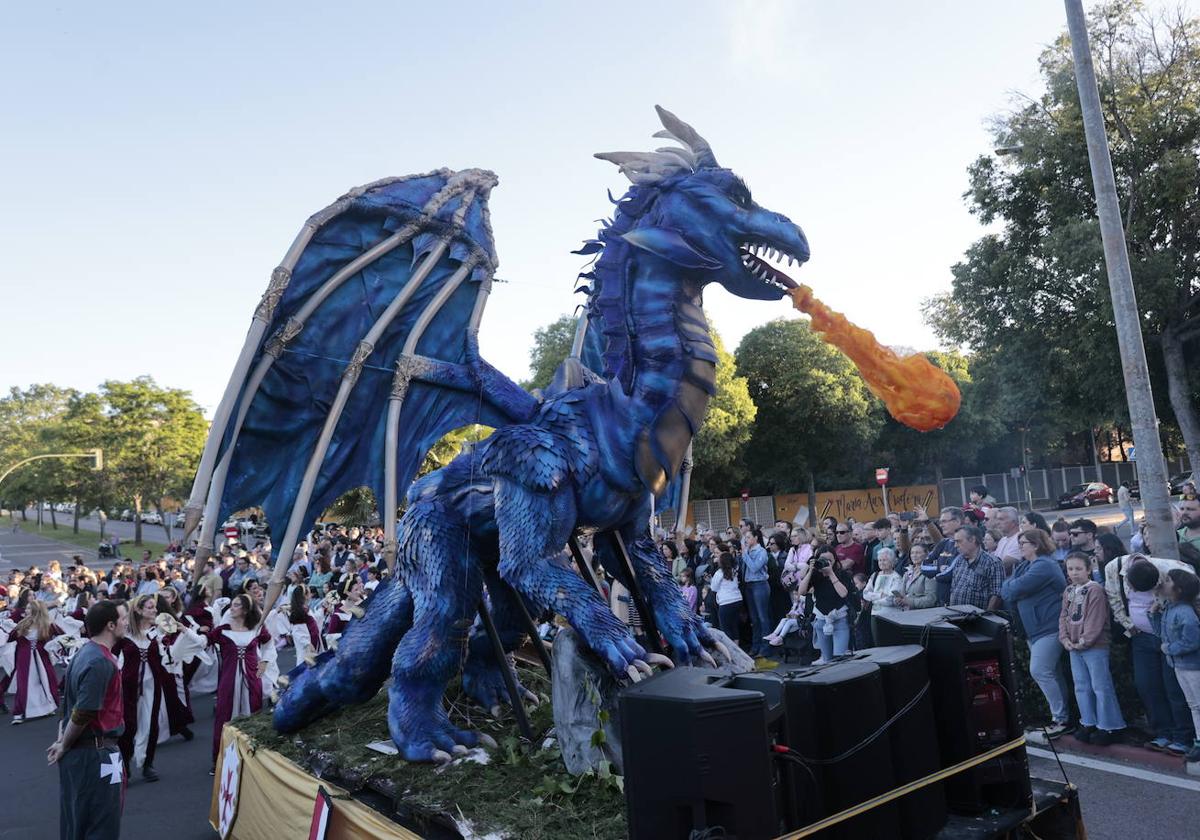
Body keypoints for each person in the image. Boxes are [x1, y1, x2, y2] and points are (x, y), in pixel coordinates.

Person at [48, 600, 128, 840]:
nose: (127, 623)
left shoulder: (85, 652)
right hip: (96, 754)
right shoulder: (100, 662)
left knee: (78, 821)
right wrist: (63, 743)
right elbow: (83, 711)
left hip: (87, 754)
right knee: (101, 824)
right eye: (123, 619)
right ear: (111, 625)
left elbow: (69, 705)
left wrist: (63, 740)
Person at [1106, 556, 1197, 754]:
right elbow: (1114, 599)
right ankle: (1163, 732)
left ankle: (1184, 737)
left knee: (1173, 688)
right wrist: (1129, 625)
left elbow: (1194, 597)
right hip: (1141, 637)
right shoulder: (1114, 568)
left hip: (1170, 636)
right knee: (1147, 685)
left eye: (1156, 586)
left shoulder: (1172, 569)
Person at [1001, 528, 1070, 736]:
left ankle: (1060, 718)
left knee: (1039, 670)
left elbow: (1011, 590)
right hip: (1034, 630)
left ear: (1036, 545)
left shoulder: (1044, 565)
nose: (1020, 546)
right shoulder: (1025, 566)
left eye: (1024, 543)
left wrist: (1011, 585)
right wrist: (1011, 585)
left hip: (1048, 627)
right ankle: (1062, 717)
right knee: (1053, 674)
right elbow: (1005, 588)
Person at [1059, 552, 1125, 745]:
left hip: (1094, 646)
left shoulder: (1095, 589)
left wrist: (1084, 641)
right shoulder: (1069, 590)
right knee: (1081, 685)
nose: (1074, 573)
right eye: (1070, 569)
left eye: (1079, 568)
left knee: (1101, 686)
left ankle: (1110, 726)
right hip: (1073, 646)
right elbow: (1063, 616)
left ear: (1088, 569)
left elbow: (1095, 619)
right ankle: (1088, 721)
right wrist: (1064, 639)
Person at [203, 594, 275, 771]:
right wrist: (185, 632)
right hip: (228, 680)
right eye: (232, 605)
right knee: (225, 716)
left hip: (251, 679)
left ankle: (253, 757)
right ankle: (219, 759)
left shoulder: (256, 629)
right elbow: (203, 642)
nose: (231, 608)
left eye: (236, 605)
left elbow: (269, 644)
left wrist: (265, 661)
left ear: (244, 610)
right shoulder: (223, 629)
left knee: (253, 715)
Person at [1151, 569, 1200, 762]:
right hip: (1179, 665)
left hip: (1192, 666)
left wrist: (1169, 648)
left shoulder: (1185, 613)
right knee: (1193, 705)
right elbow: (1160, 633)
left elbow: (1192, 641)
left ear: (1178, 589)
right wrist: (1152, 614)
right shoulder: (1169, 608)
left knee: (1197, 705)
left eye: (1169, 580)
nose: (1164, 582)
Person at [7, 599, 64, 724]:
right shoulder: (22, 624)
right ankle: (19, 713)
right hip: (24, 660)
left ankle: (48, 707)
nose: (26, 610)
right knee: (24, 685)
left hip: (42, 658)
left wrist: (55, 647)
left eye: (28, 608)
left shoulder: (47, 625)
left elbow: (62, 637)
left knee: (45, 681)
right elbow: (10, 638)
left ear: (35, 610)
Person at [797, 545, 853, 663]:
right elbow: (801, 592)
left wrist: (831, 573)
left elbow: (843, 593)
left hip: (840, 619)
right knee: (827, 660)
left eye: (829, 561)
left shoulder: (842, 574)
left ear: (835, 560)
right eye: (823, 560)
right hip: (821, 620)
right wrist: (811, 570)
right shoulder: (815, 575)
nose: (826, 563)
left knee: (839, 659)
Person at [946, 526, 1004, 611]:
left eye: (959, 541)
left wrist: (988, 617)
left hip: (977, 619)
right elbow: (953, 589)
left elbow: (997, 594)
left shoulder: (993, 563)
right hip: (956, 616)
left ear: (972, 539)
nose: (955, 545)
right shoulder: (959, 561)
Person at [741, 529, 771, 658]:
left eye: (748, 537)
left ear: (755, 538)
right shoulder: (747, 552)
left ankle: (766, 648)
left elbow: (754, 568)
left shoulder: (762, 552)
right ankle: (755, 646)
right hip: (749, 586)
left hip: (760, 585)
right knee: (754, 619)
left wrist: (745, 555)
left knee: (763, 617)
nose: (746, 540)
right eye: (745, 538)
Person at [709, 552, 743, 645]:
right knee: (734, 626)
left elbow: (713, 588)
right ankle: (737, 650)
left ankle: (730, 652)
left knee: (725, 628)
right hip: (737, 600)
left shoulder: (719, 573)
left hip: (726, 602)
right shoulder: (734, 571)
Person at [862, 547, 903, 619]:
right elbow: (865, 593)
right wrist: (880, 595)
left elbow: (890, 600)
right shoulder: (875, 575)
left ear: (892, 561)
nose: (881, 563)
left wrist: (873, 599)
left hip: (891, 616)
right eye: (880, 560)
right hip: (874, 614)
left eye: (884, 560)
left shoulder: (896, 578)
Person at [895, 544, 938, 610]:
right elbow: (902, 594)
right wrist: (898, 600)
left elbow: (931, 599)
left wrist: (910, 602)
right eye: (912, 553)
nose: (914, 555)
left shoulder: (930, 572)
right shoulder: (907, 573)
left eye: (918, 553)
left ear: (926, 555)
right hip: (906, 614)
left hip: (922, 615)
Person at [992, 507, 1023, 576]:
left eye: (1001, 519)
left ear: (1014, 522)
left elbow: (1003, 564)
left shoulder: (1020, 539)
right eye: (997, 519)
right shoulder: (1002, 540)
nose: (997, 523)